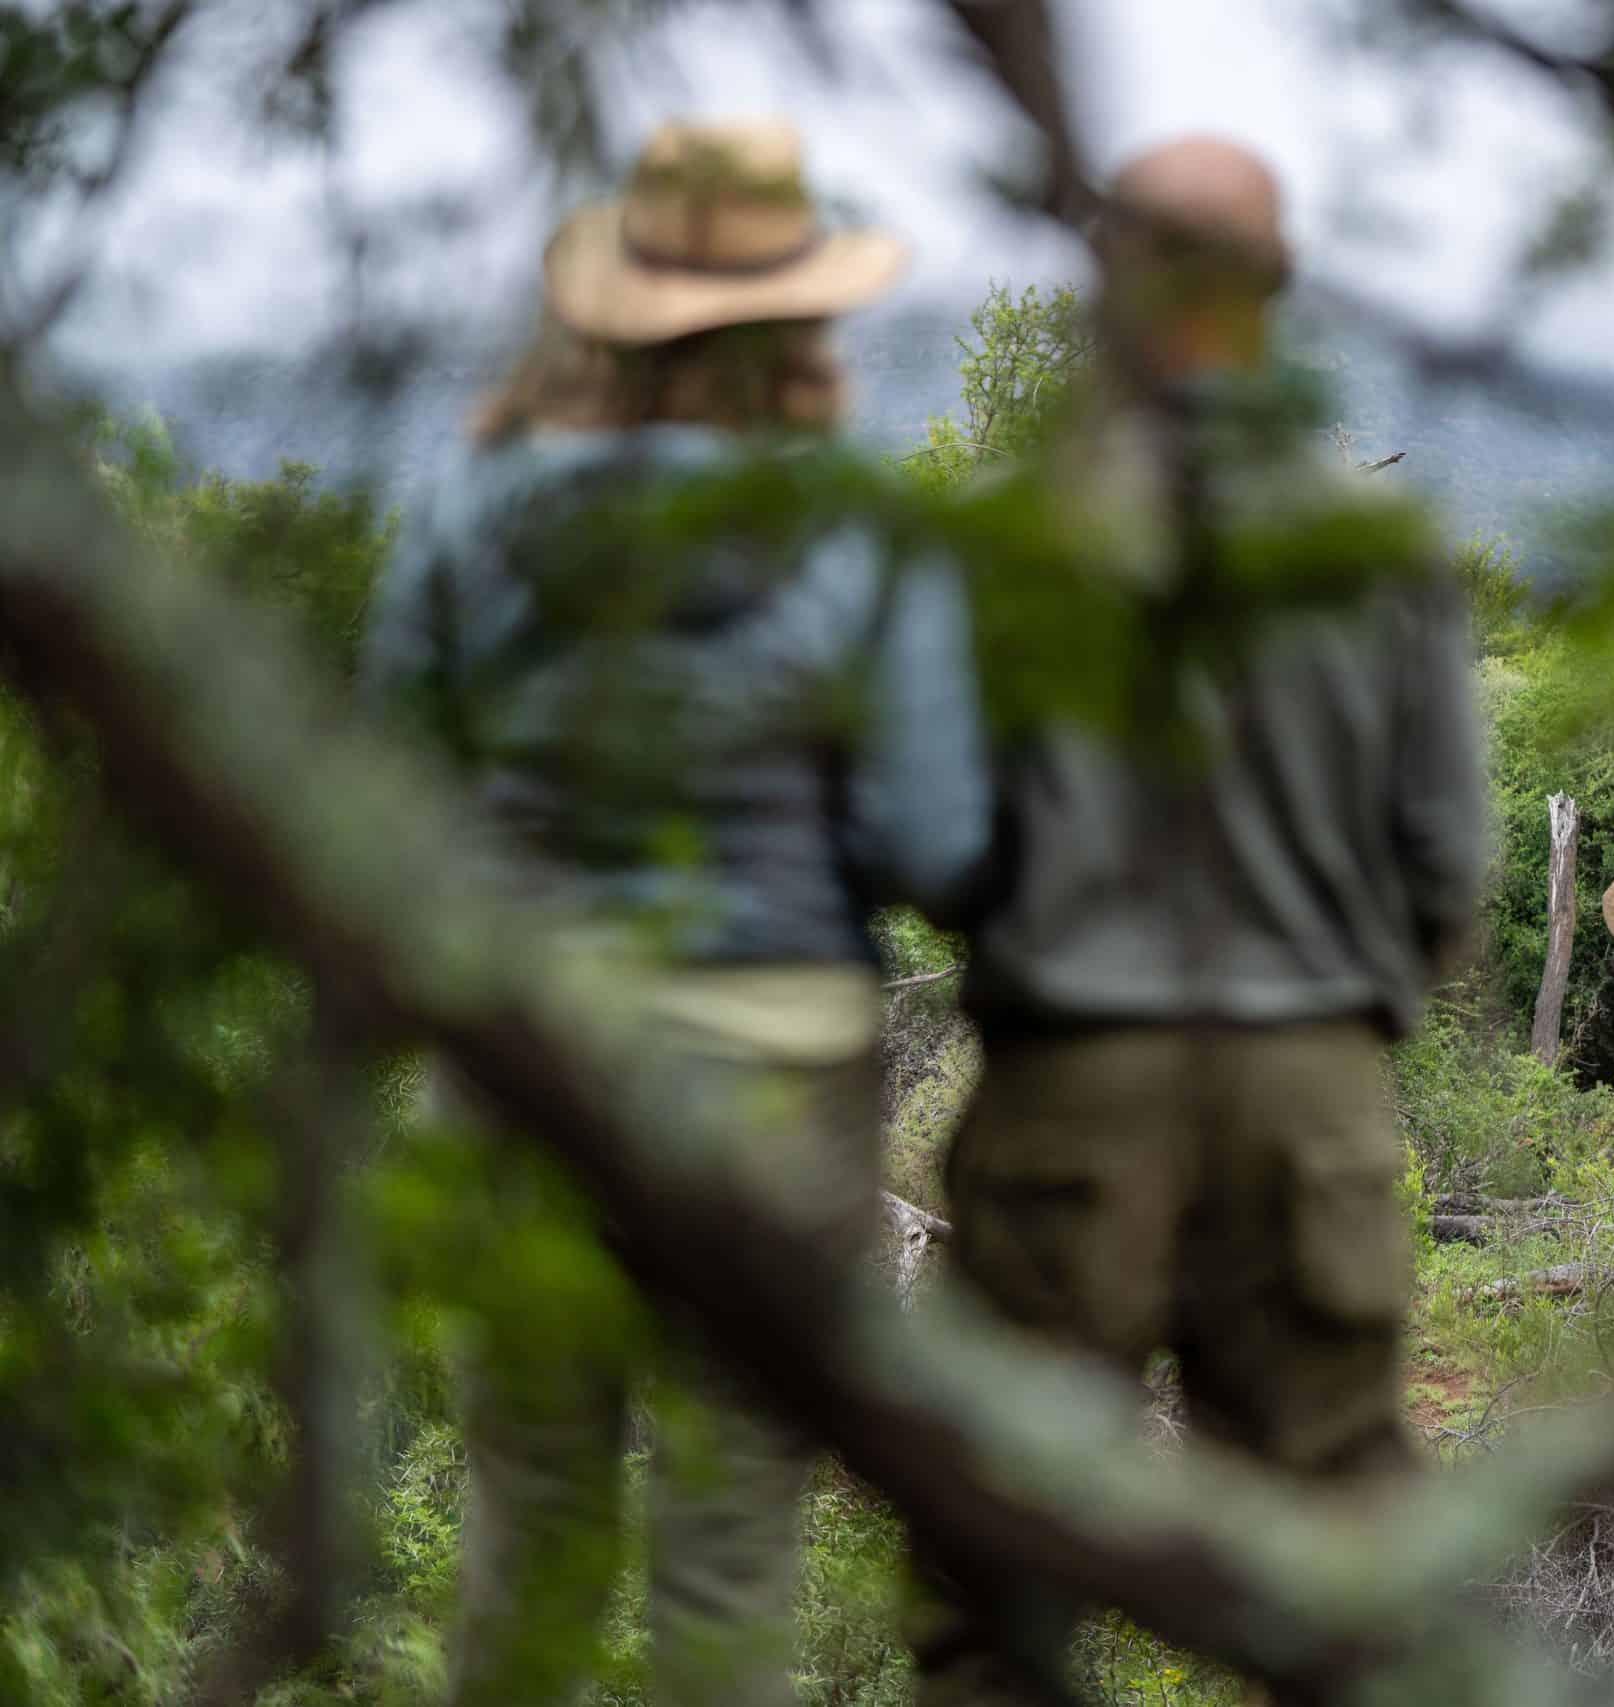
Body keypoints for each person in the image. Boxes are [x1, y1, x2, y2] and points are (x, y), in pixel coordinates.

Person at [360, 119, 989, 1707]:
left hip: (526, 1069)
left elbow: (376, 802)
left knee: (532, 1521)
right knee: (731, 1542)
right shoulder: (854, 527)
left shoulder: (468, 507)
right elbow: (935, 839)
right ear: (794, 316)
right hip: (775, 1070)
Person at [909, 135, 1488, 1706]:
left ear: (1107, 273)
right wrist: (1336, 1009)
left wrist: (1034, 930)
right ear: (1279, 287)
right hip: (1311, 1081)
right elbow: (1449, 863)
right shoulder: (1379, 550)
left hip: (1066, 1077)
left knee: (1000, 1577)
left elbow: (933, 842)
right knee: (1344, 1578)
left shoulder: (1009, 530)